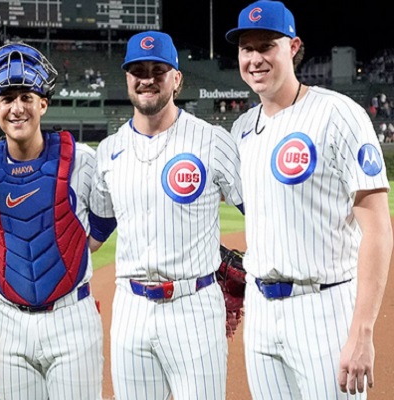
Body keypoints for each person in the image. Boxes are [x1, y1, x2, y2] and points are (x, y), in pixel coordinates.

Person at [225, 1, 393, 398]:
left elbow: (379, 230)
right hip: (262, 313)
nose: (255, 58)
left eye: (266, 45)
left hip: (324, 308)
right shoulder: (241, 129)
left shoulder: (339, 115)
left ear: (294, 46)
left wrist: (362, 333)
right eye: (246, 49)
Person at [89, 30, 244, 399]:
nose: (147, 78)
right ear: (127, 78)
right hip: (130, 308)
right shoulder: (109, 151)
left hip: (194, 305)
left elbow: (260, 211)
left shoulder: (213, 141)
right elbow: (95, 231)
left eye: (158, 70)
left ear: (176, 78)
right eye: (137, 70)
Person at [0, 43, 111, 400]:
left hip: (71, 318)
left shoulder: (80, 159)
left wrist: (68, 257)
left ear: (43, 103)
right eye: (7, 98)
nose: (17, 107)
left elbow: (104, 221)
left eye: (26, 96)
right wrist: (2, 276)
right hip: (11, 323)